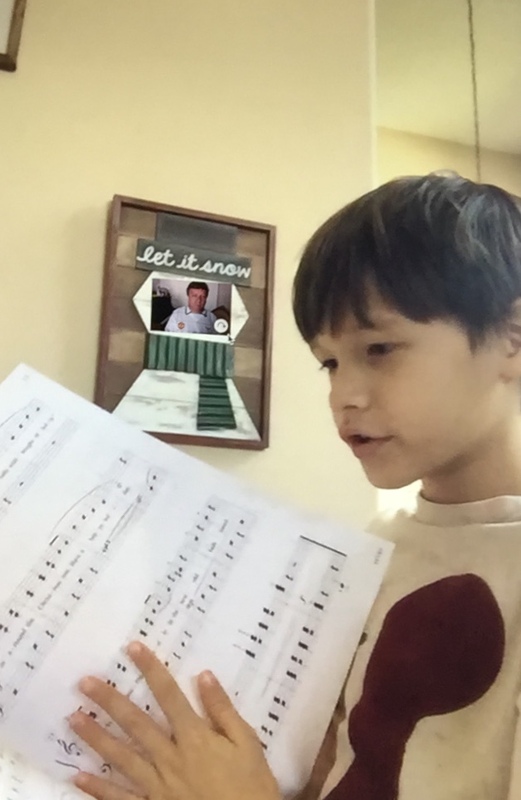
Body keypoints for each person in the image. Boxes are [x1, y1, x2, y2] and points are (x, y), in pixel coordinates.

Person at [69, 174, 521, 800]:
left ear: (511, 337)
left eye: (380, 349)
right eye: (330, 363)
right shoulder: (373, 553)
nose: (344, 396)